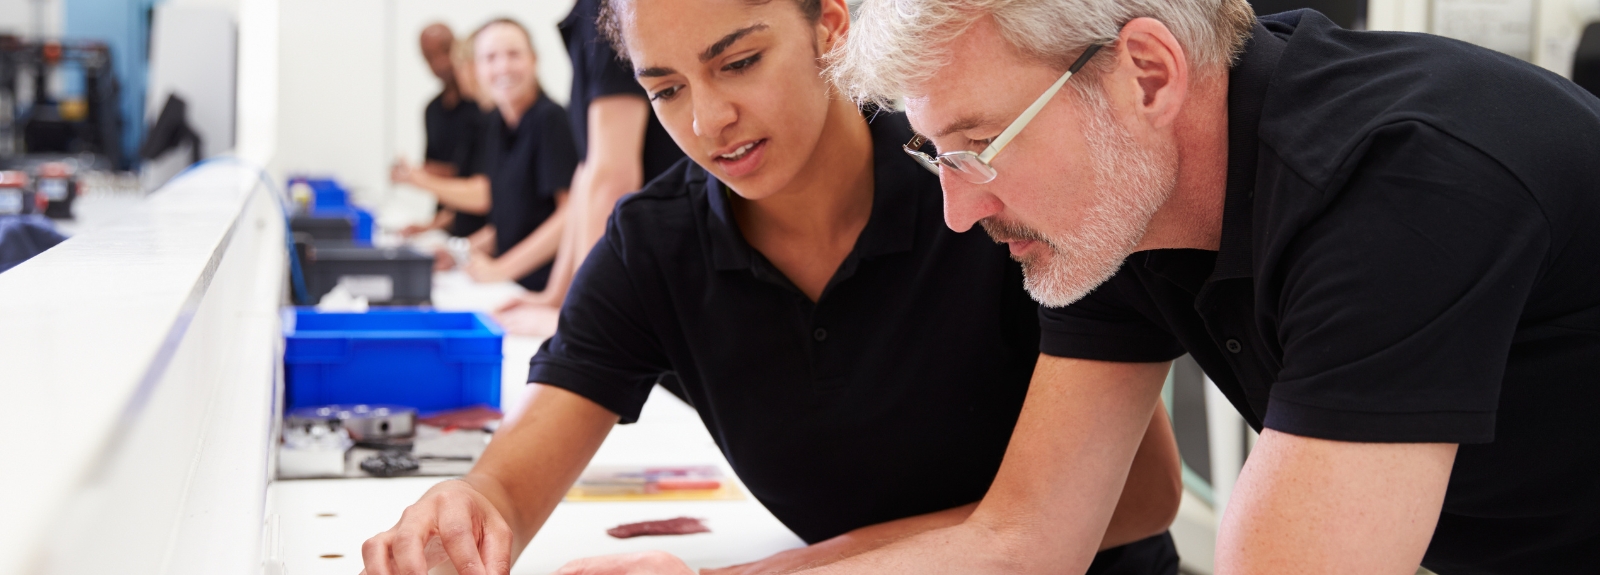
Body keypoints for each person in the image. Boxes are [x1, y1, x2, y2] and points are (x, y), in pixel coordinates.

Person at [706, 1, 1600, 574]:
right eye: (935, 154)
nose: (956, 209)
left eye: (978, 145)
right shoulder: (1117, 197)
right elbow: (1028, 537)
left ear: (1147, 72)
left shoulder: (1395, 186)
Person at [356, 0, 1186, 573]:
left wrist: (791, 565)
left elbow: (1143, 494)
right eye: (667, 89)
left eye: (741, 62)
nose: (707, 119)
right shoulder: (655, 247)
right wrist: (468, 507)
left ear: (829, 25)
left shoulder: (978, 187)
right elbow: (509, 477)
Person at [490, 0, 689, 336]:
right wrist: (558, 297)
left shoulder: (611, 10)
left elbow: (612, 178)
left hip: (665, 267)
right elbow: (588, 173)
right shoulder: (588, 15)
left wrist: (582, 316)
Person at [396, 19, 579, 290]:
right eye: (490, 58)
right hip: (511, 283)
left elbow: (571, 215)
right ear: (475, 69)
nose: (502, 66)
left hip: (546, 288)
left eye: (513, 54)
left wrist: (502, 268)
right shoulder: (498, 126)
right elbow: (508, 223)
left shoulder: (549, 119)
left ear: (534, 60)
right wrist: (459, 252)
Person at [396, 24, 489, 239]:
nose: (441, 63)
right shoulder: (432, 110)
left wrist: (419, 178)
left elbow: (484, 194)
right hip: (460, 233)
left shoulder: (488, 117)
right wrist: (432, 227)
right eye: (430, 57)